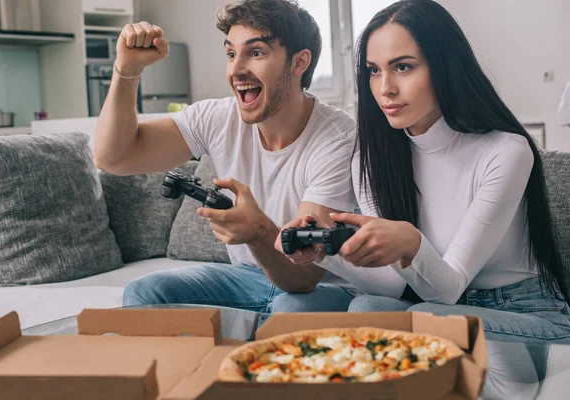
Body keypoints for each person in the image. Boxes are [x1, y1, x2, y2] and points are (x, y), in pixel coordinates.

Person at [280, 0, 570, 343]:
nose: (385, 87)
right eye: (374, 70)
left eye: (403, 67)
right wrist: (326, 254)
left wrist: (412, 244)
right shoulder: (370, 158)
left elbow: (447, 288)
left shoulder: (506, 152)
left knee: (399, 317)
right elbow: (391, 283)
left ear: (444, 67)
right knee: (333, 307)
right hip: (441, 309)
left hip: (524, 313)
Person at [94, 0, 364, 315]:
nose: (236, 70)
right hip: (249, 276)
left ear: (299, 62)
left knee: (290, 310)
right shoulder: (218, 117)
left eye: (256, 52)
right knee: (146, 291)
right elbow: (114, 157)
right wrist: (127, 72)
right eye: (231, 54)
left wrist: (259, 231)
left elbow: (302, 277)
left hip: (324, 286)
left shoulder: (337, 137)